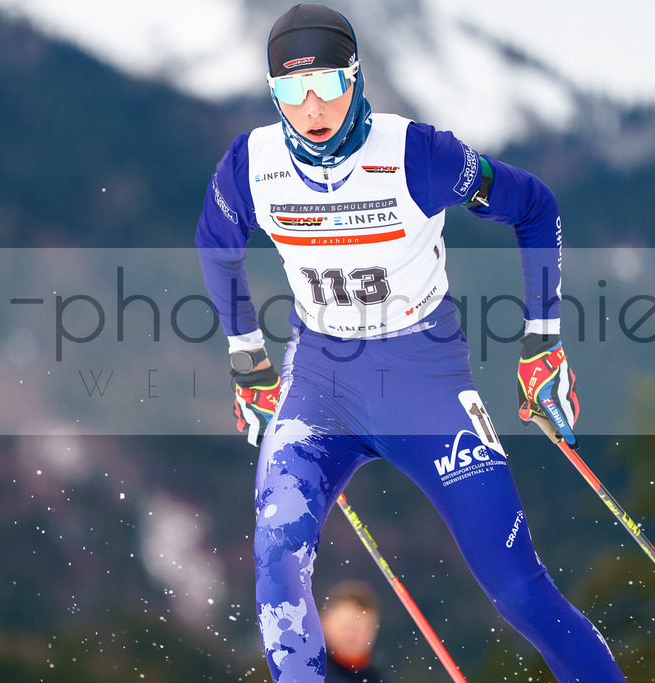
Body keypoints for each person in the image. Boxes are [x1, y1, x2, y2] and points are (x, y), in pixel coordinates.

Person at [195, 4, 625, 681]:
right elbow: (214, 244)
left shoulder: (416, 156)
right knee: (278, 564)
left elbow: (535, 207)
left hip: (424, 377)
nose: (312, 108)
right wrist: (247, 359)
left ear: (357, 78)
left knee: (518, 590)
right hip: (320, 387)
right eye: (290, 91)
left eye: (329, 85)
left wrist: (543, 344)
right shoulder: (253, 164)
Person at [321, 581, 389, 683]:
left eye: (361, 629)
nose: (352, 636)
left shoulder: (378, 678)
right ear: (325, 621)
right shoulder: (305, 667)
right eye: (346, 626)